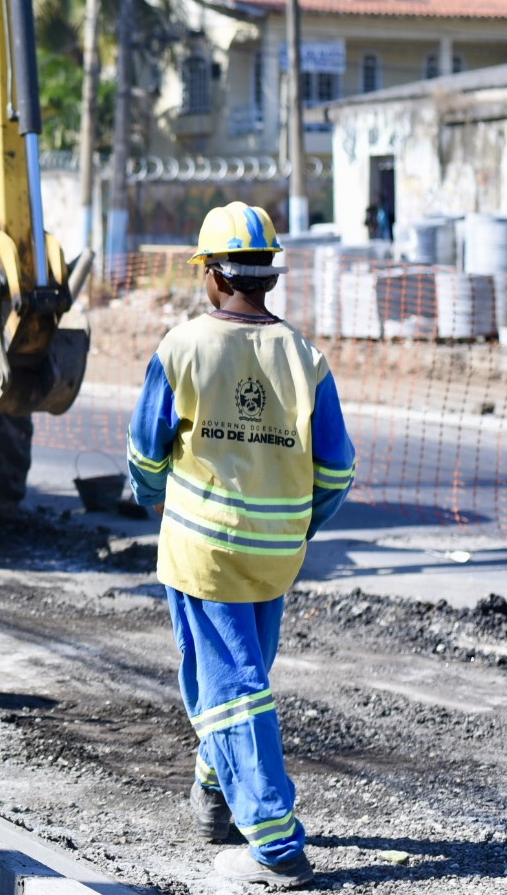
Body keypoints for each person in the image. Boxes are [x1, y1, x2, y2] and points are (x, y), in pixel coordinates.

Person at [127, 203, 354, 890]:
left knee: (230, 689)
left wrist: (155, 500)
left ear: (213, 278)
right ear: (267, 278)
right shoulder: (306, 358)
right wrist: (298, 524)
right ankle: (214, 795)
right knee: (235, 680)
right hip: (275, 556)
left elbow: (145, 451)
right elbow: (337, 468)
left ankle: (275, 842)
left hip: (205, 551)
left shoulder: (183, 348)